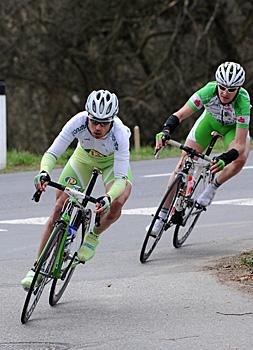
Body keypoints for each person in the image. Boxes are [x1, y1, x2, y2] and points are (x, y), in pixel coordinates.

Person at [21, 89, 132, 290]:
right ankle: (36, 268)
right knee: (59, 206)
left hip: (111, 164)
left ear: (112, 121)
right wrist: (44, 172)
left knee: (117, 202)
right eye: (94, 121)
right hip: (83, 159)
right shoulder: (78, 121)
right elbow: (52, 153)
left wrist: (107, 197)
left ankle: (94, 235)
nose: (98, 127)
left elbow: (121, 179)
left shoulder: (121, 134)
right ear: (87, 116)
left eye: (104, 123)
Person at [151, 61, 251, 235]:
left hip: (231, 129)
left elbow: (239, 144)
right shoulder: (207, 91)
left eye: (231, 89)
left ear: (239, 88)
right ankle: (162, 214)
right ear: (217, 84)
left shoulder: (243, 102)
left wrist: (224, 159)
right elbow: (180, 114)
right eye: (222, 87)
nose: (225, 93)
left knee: (241, 158)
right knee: (183, 164)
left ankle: (212, 186)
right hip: (209, 121)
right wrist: (165, 131)